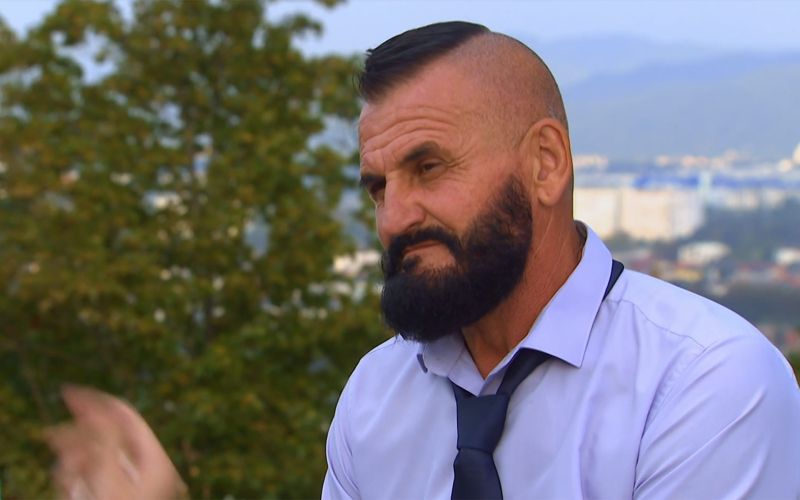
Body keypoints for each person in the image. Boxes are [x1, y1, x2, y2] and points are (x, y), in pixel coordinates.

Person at [48, 21, 800, 500]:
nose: (395, 217)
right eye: (378, 186)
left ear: (545, 163)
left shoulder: (704, 386)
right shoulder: (378, 395)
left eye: (429, 167)